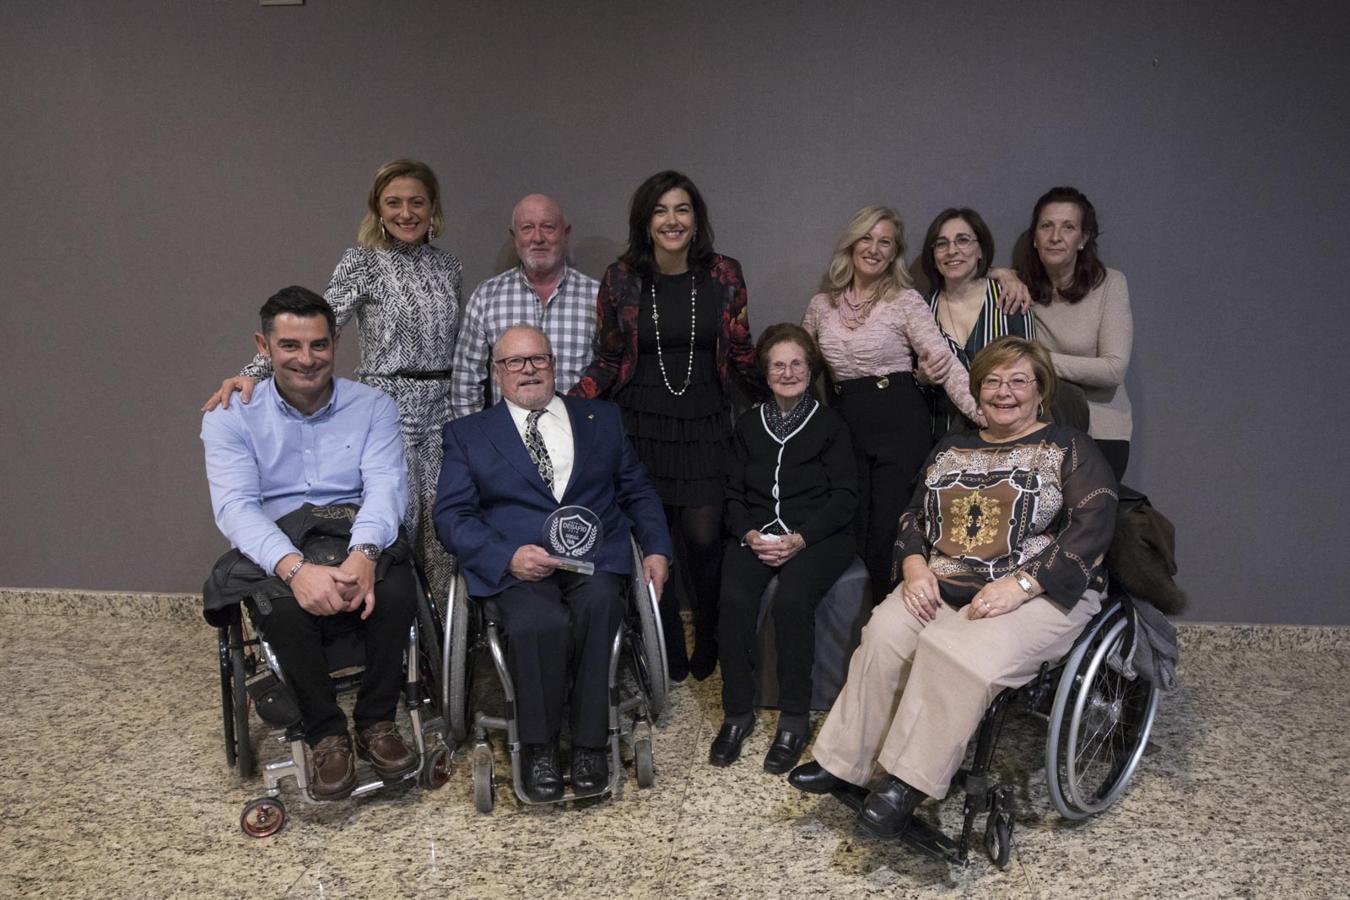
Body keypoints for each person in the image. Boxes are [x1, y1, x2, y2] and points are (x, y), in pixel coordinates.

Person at [788, 337, 1118, 839]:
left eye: (1018, 381)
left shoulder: (1068, 447)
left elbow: (1093, 522)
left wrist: (1023, 584)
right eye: (992, 381)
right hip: (942, 581)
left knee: (955, 651)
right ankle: (842, 760)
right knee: (885, 632)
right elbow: (912, 516)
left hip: (1040, 590)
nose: (1003, 392)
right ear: (977, 390)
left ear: (1040, 390)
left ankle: (905, 783)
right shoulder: (951, 448)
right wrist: (916, 566)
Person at [203, 159, 463, 598]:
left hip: (442, 403)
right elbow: (316, 326)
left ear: (432, 208)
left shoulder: (449, 267)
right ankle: (393, 628)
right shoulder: (362, 262)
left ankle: (441, 645)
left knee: (442, 527)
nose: (406, 213)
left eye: (416, 202)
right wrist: (248, 374)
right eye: (393, 202)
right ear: (377, 209)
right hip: (388, 400)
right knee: (396, 520)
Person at [435, 324, 673, 802]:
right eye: (514, 362)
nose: (528, 370)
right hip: (519, 564)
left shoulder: (601, 419)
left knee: (601, 605)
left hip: (595, 556)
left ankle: (590, 744)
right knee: (538, 621)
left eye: (537, 359)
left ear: (554, 363)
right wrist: (506, 556)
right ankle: (538, 746)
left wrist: (656, 548)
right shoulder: (468, 434)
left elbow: (637, 490)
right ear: (496, 372)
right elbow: (451, 516)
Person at [201, 286, 419, 801]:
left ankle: (376, 721)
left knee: (395, 592)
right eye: (291, 346)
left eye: (319, 345)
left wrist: (364, 555)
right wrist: (295, 569)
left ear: (336, 341)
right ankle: (325, 733)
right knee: (283, 613)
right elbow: (236, 507)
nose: (306, 359)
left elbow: (386, 485)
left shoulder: (373, 406)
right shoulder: (229, 416)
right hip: (279, 539)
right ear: (264, 346)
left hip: (353, 527)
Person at [572, 170, 761, 683]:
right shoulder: (620, 279)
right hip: (641, 421)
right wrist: (569, 405)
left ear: (696, 220)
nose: (672, 220)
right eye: (660, 211)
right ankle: (665, 643)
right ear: (645, 222)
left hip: (704, 420)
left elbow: (741, 346)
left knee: (703, 538)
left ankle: (711, 634)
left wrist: (774, 396)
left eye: (681, 210)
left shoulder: (724, 274)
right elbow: (609, 359)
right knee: (653, 538)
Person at [801, 206, 982, 605]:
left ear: (894, 252)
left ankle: (885, 628)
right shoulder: (820, 306)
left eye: (885, 242)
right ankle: (856, 629)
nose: (874, 248)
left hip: (899, 424)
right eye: (866, 238)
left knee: (887, 534)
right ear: (851, 244)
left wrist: (985, 414)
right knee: (853, 527)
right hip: (846, 427)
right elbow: (801, 367)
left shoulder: (906, 301)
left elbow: (945, 364)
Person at [710, 324, 857, 774]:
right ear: (765, 371)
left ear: (810, 369)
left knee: (793, 600)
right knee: (733, 597)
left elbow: (845, 496)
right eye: (778, 364)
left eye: (797, 364)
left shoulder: (831, 424)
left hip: (818, 535)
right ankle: (737, 713)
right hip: (758, 533)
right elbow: (732, 493)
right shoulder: (749, 423)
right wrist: (750, 534)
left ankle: (794, 717)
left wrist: (802, 538)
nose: (788, 372)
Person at [1015, 186, 1133, 482]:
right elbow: (975, 273)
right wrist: (1000, 274)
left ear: (1083, 239)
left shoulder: (1110, 285)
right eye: (1046, 226)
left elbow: (1113, 369)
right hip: (1041, 433)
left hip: (1101, 432)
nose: (1055, 237)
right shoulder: (1020, 289)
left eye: (1068, 227)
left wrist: (1037, 361)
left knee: (1088, 527)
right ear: (1035, 237)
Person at [449, 194, 598, 418]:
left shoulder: (596, 296)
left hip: (579, 434)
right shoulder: (487, 296)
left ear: (565, 234)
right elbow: (465, 381)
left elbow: (611, 373)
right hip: (507, 442)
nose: (538, 238)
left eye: (548, 227)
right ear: (514, 236)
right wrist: (477, 441)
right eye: (527, 228)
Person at [914, 207, 1036, 438]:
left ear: (981, 249)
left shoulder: (1009, 296)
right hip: (943, 440)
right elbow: (914, 387)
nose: (952, 251)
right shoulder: (921, 309)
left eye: (963, 240)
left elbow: (1033, 375)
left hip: (1007, 436)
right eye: (941, 244)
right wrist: (922, 378)